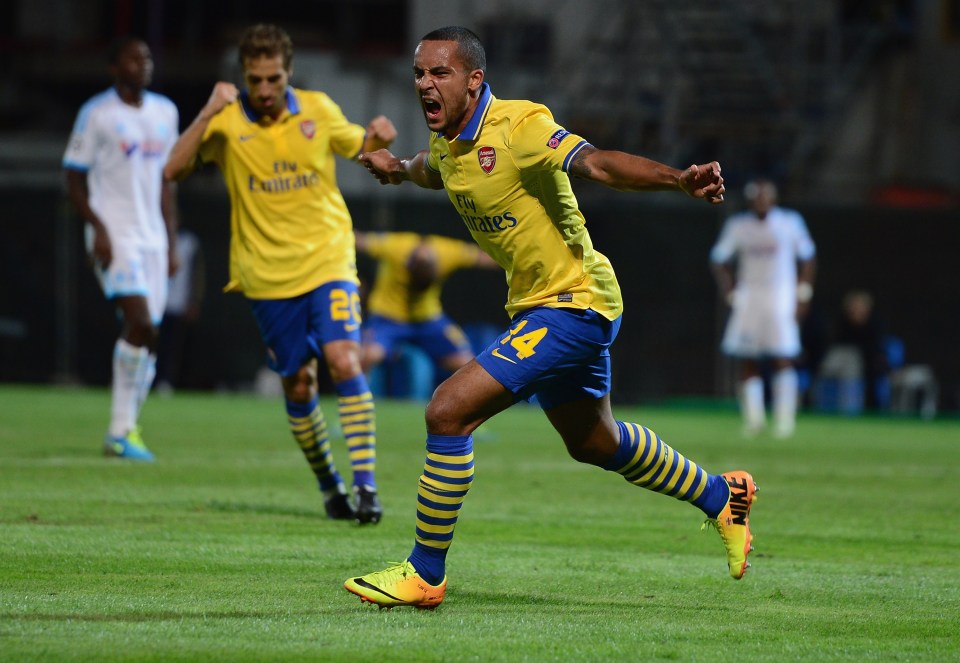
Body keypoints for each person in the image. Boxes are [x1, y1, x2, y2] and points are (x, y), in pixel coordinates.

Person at [343, 26, 755, 609]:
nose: (425, 85)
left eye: (440, 73)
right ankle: (722, 495)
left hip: (575, 301)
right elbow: (432, 170)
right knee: (594, 441)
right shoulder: (446, 140)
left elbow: (600, 165)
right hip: (548, 305)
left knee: (447, 411)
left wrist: (677, 179)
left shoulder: (520, 125)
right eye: (419, 74)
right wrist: (396, 167)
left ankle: (424, 573)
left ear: (474, 79)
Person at [163, 23, 397, 524]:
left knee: (346, 360)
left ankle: (367, 487)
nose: (265, 90)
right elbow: (172, 169)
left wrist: (377, 139)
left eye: (273, 78)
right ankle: (330, 485)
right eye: (256, 80)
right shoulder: (225, 122)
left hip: (329, 259)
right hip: (266, 276)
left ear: (289, 73)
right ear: (243, 78)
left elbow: (362, 148)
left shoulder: (318, 108)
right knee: (297, 386)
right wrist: (208, 109)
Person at [63, 36, 180, 462]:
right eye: (133, 58)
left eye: (147, 57)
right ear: (115, 68)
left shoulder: (165, 112)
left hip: (153, 239)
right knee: (141, 324)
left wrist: (171, 241)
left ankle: (126, 429)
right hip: (116, 235)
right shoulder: (96, 114)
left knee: (150, 338)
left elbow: (167, 181)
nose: (142, 63)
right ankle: (118, 430)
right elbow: (73, 178)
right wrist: (98, 227)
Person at [710, 178, 817, 439]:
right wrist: (730, 289)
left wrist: (803, 293)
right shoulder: (738, 226)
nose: (760, 201)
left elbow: (808, 258)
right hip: (750, 299)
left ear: (774, 198)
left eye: (765, 196)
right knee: (748, 360)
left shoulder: (790, 222)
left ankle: (784, 420)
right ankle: (754, 420)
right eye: (756, 197)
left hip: (781, 297)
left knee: (782, 357)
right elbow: (719, 258)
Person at [355, 230, 499, 386]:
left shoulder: (446, 252)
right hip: (388, 316)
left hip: (427, 318)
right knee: (368, 356)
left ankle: (468, 405)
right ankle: (357, 401)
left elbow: (483, 257)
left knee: (466, 362)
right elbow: (360, 240)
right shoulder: (395, 247)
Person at [155, 226, 205, 395]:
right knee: (153, 343)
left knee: (174, 347)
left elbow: (197, 274)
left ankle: (168, 381)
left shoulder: (189, 242)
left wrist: (194, 301)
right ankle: (150, 380)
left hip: (178, 304)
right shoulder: (154, 235)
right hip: (157, 302)